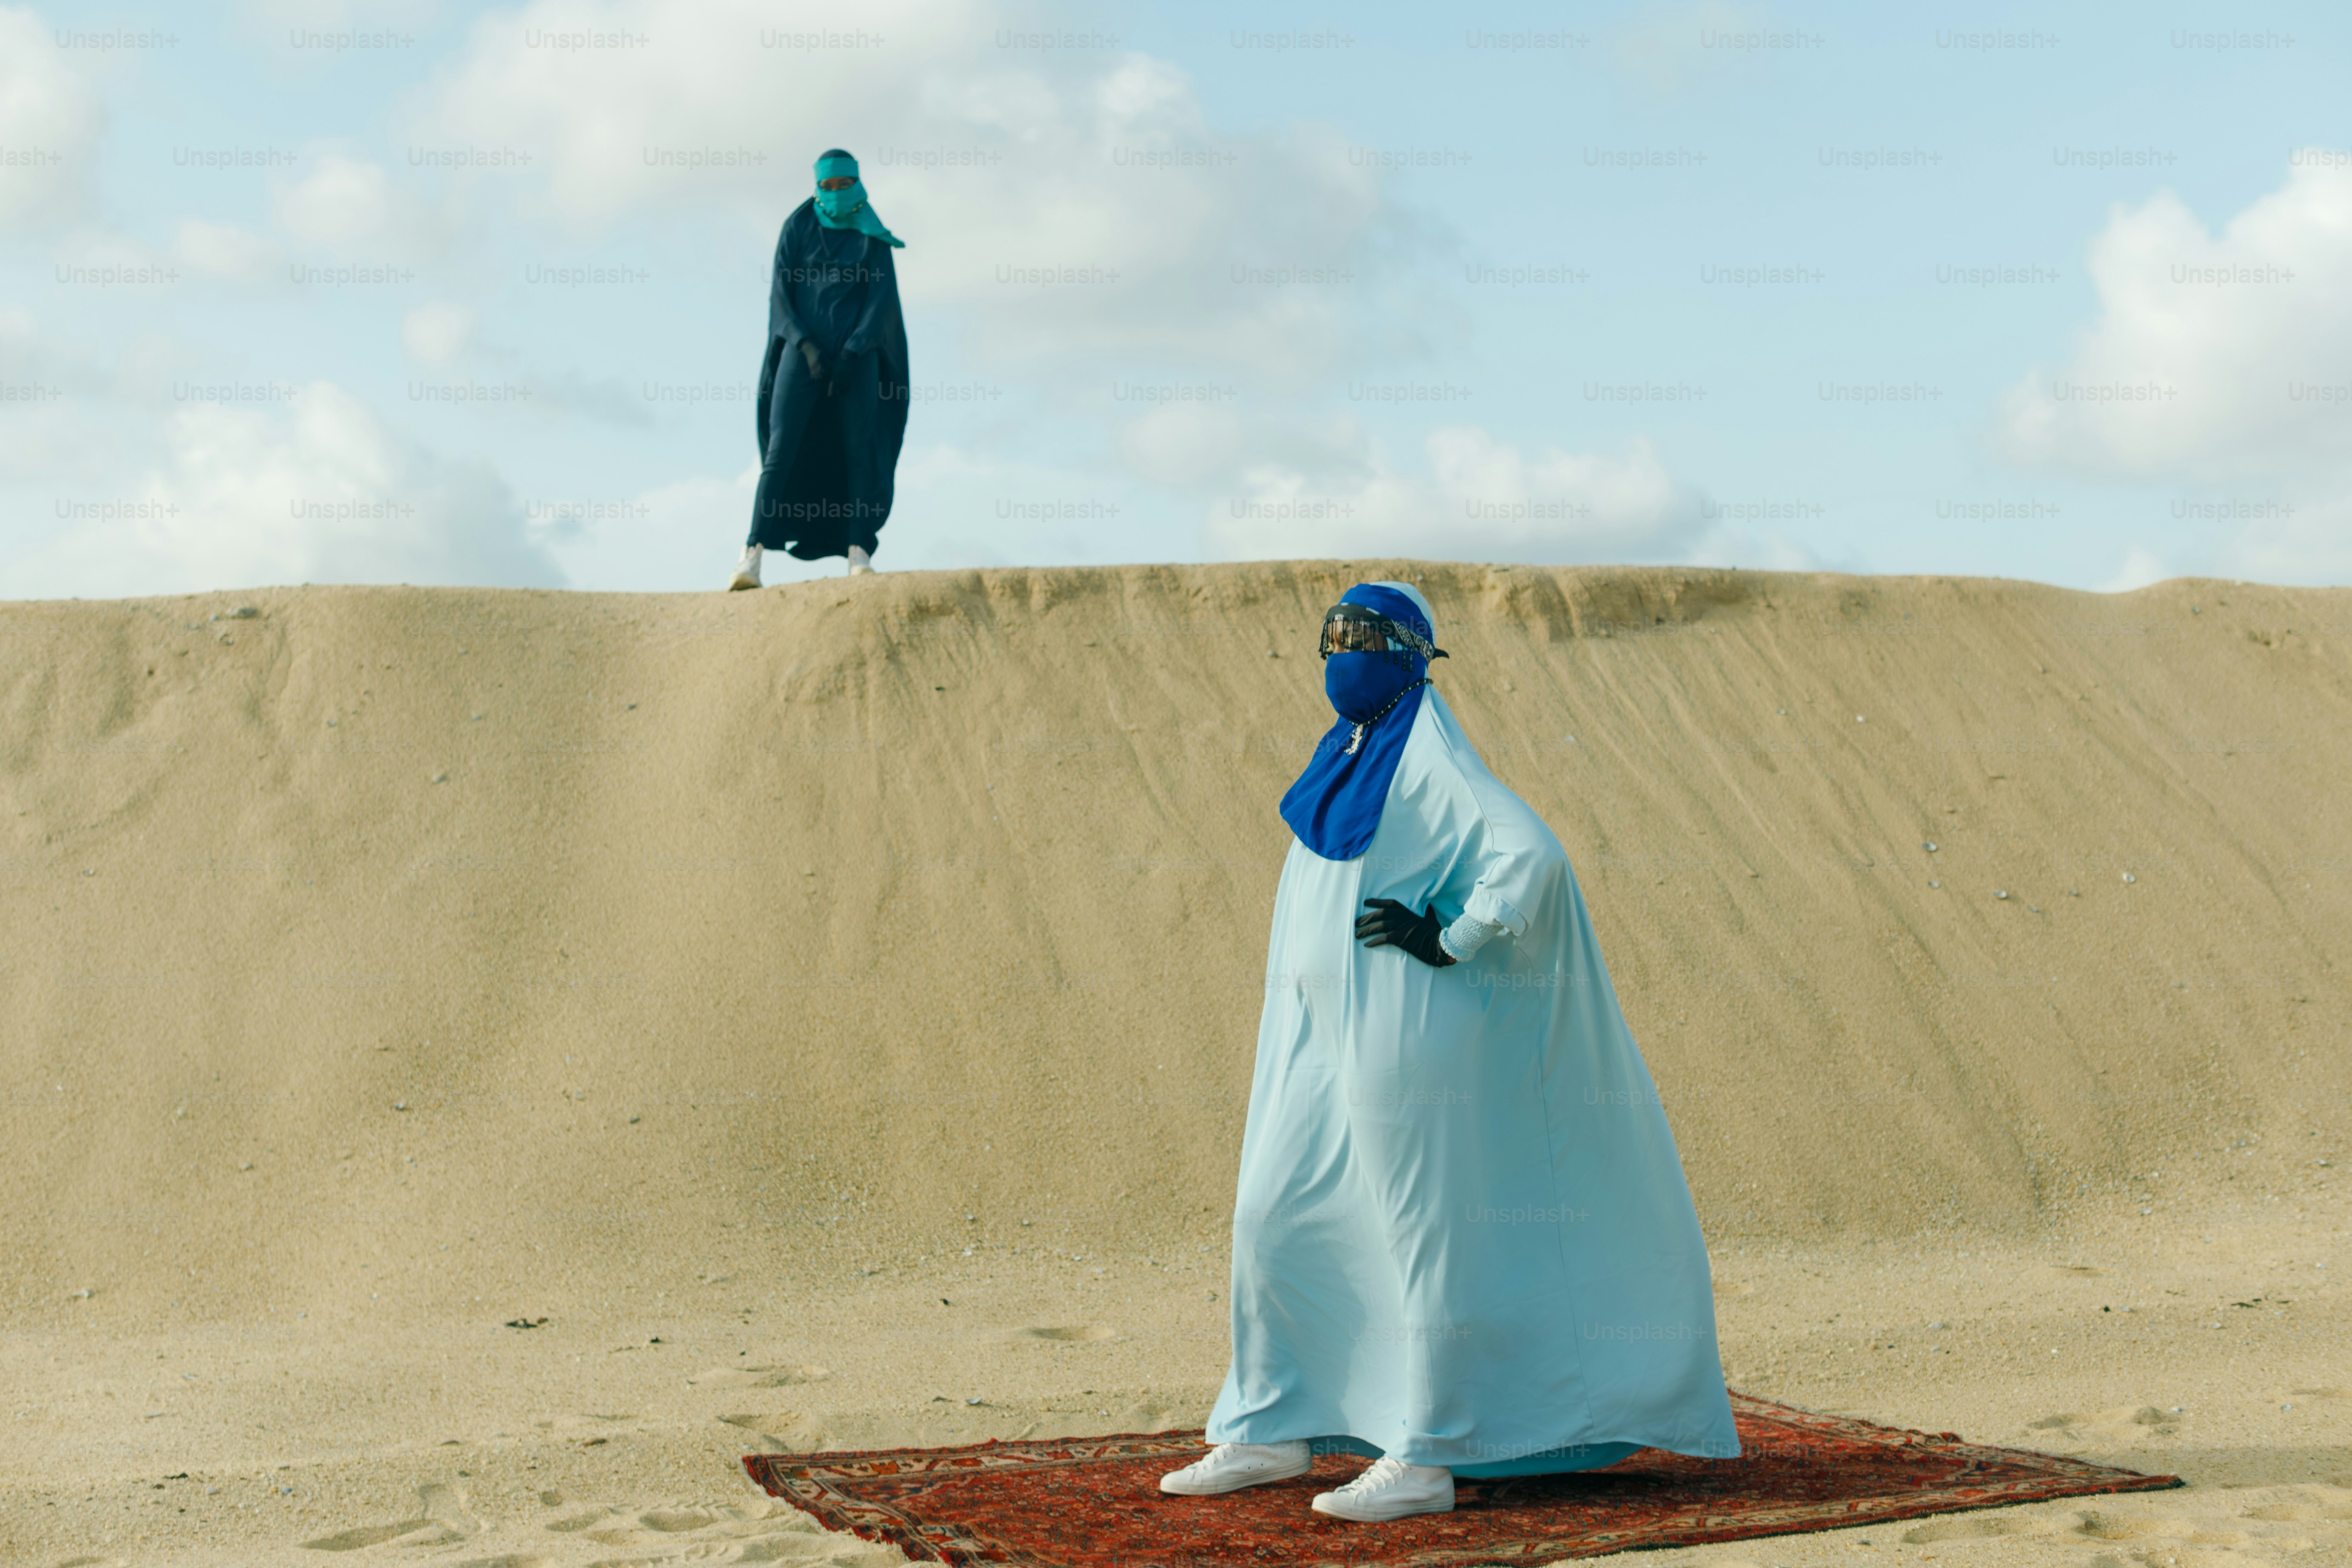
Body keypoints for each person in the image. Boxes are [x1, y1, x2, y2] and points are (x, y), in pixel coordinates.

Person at [1159, 581, 1740, 1522]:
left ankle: (1425, 1451)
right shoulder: (1346, 753)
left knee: (1420, 1236)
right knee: (1273, 1212)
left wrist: (1451, 936)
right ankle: (1271, 1422)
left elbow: (1532, 854)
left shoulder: (1430, 756)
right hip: (1311, 1035)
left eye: (1364, 636)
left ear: (1410, 654)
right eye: (1331, 634)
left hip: (1402, 1035)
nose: (1342, 652)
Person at [729, 149, 909, 589]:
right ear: (817, 187)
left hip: (856, 356)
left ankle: (858, 556)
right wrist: (807, 347)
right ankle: (750, 558)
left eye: (843, 185)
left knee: (859, 451)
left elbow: (880, 302)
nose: (834, 194)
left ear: (857, 183)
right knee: (781, 450)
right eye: (826, 187)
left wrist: (853, 351)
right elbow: (780, 296)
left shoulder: (872, 234)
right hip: (802, 351)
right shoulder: (799, 226)